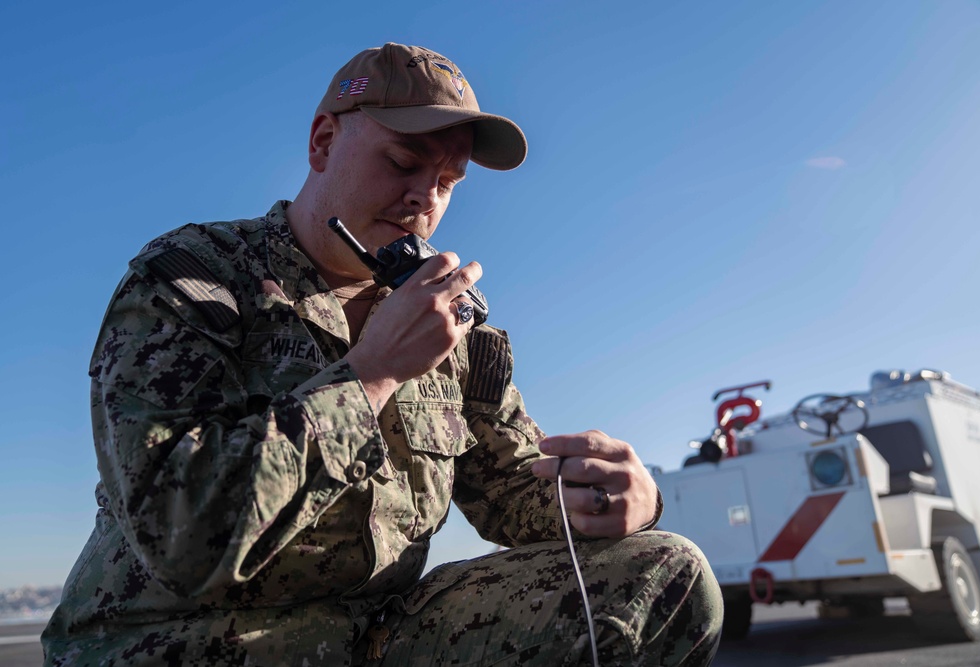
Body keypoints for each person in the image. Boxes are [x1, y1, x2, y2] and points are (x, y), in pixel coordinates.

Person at [42, 43, 722, 666]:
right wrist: (371, 373)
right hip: (181, 642)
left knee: (667, 573)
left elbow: (515, 493)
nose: (424, 197)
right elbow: (182, 538)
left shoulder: (451, 325)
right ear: (322, 142)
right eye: (402, 162)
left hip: (375, 635)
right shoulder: (195, 280)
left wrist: (617, 496)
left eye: (448, 181)